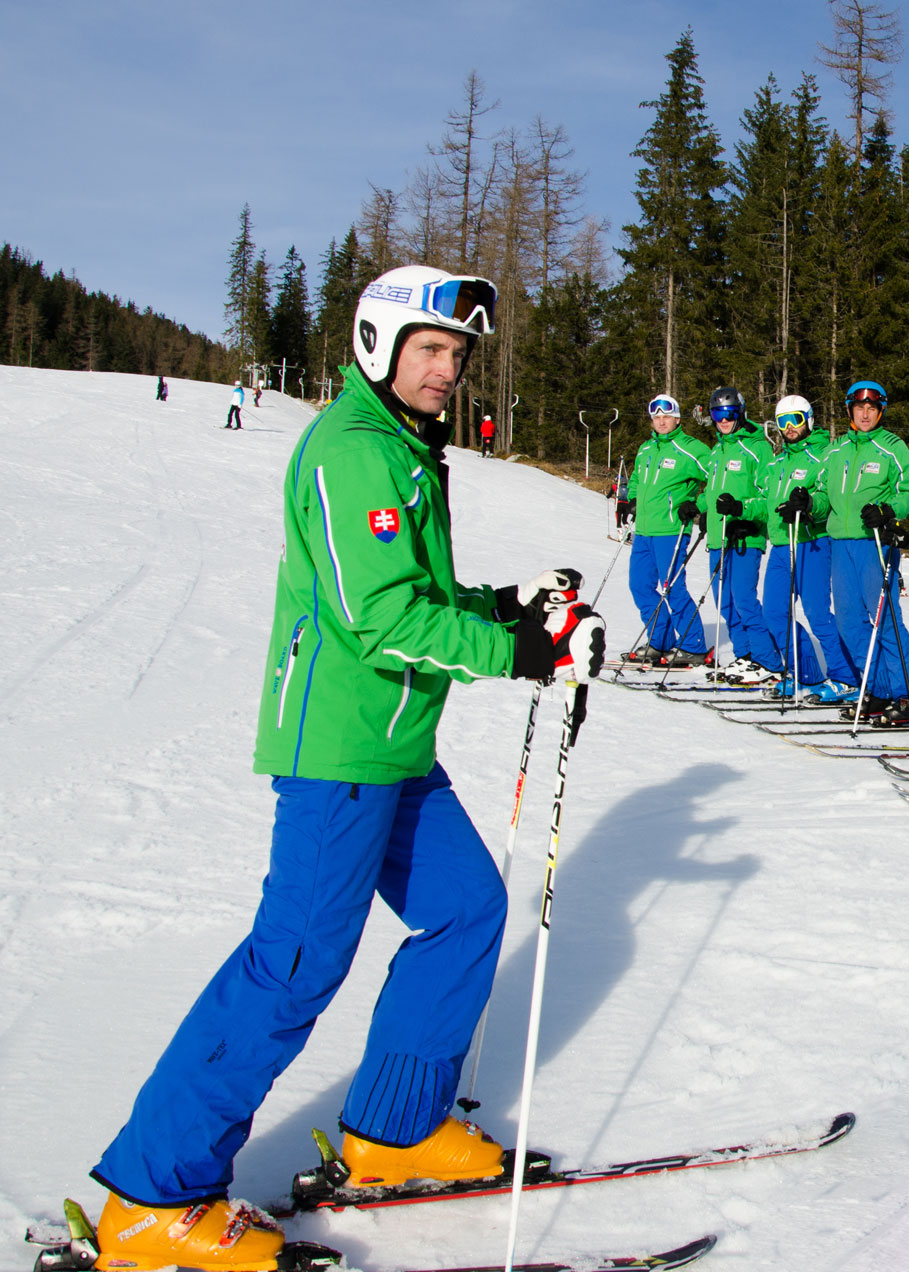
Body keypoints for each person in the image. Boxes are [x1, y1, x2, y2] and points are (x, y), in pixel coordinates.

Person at [85, 264, 606, 1271]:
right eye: (430, 351)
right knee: (294, 961)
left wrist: (509, 605)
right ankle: (153, 1196)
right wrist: (528, 653)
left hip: (397, 746)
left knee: (463, 912)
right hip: (340, 749)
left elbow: (421, 589)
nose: (446, 371)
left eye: (456, 355)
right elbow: (377, 618)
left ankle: (390, 1134)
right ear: (378, 346)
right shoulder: (353, 450)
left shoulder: (405, 451)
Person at [822, 379, 909, 723]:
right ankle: (881, 689)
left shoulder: (891, 447)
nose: (865, 414)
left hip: (875, 544)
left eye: (872, 408)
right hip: (841, 543)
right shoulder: (835, 450)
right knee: (850, 622)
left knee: (885, 619)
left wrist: (887, 509)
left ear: (880, 410)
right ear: (850, 409)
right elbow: (824, 493)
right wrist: (809, 502)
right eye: (859, 407)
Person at [760, 395, 861, 701]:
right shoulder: (776, 462)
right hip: (781, 544)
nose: (789, 427)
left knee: (818, 614)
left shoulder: (826, 455)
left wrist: (807, 505)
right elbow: (763, 502)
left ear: (809, 420)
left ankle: (846, 677)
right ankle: (805, 674)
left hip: (811, 542)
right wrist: (740, 507)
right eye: (783, 422)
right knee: (774, 613)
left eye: (796, 420)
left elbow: (827, 497)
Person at [623, 393, 711, 668]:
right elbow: (637, 477)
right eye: (657, 417)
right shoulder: (646, 449)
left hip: (672, 530)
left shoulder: (691, 449)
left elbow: (718, 476)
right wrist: (632, 499)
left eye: (667, 417)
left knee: (672, 588)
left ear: (677, 419)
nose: (661, 422)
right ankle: (659, 640)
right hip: (645, 530)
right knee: (639, 585)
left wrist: (697, 504)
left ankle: (693, 645)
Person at [702, 387, 781, 685]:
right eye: (717, 414)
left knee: (744, 599)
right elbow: (712, 492)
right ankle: (745, 655)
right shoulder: (716, 450)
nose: (723, 420)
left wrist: (742, 511)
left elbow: (767, 495)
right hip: (717, 537)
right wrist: (697, 507)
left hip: (745, 536)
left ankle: (766, 659)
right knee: (724, 602)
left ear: (740, 413)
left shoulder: (757, 447)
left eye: (729, 413)